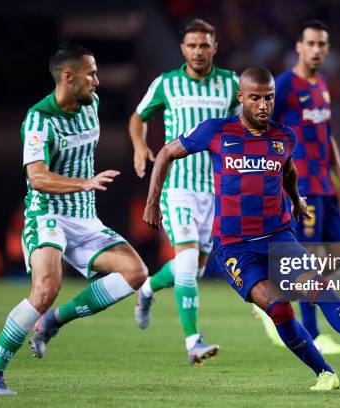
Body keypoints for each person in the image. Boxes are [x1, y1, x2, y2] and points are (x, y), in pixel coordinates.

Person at [143, 66, 340, 391]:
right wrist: (152, 202)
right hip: (234, 247)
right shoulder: (216, 131)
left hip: (279, 238)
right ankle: (325, 374)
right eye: (255, 98)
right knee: (278, 309)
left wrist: (295, 200)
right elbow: (166, 152)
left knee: (318, 287)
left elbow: (288, 171)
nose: (263, 105)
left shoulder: (283, 137)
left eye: (269, 98)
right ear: (241, 98)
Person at [0, 44, 147, 395]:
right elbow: (37, 177)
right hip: (47, 213)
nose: (98, 81)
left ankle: (54, 321)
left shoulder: (92, 105)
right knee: (46, 288)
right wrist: (85, 182)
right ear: (68, 77)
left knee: (136, 273)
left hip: (85, 218)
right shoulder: (39, 120)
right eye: (91, 74)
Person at [129, 18, 239, 364]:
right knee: (189, 260)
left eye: (204, 45)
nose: (197, 51)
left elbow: (242, 131)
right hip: (177, 187)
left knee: (193, 268)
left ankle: (147, 288)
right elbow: (138, 117)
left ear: (214, 47)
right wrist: (138, 144)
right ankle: (194, 341)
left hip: (215, 190)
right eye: (191, 45)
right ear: (182, 49)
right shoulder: (166, 84)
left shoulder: (232, 85)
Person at [253, 19, 340, 354]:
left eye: (321, 45)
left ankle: (277, 288)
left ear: (327, 49)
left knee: (339, 257)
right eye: (310, 43)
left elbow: (328, 137)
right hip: (302, 188)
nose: (316, 50)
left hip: (326, 186)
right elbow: (262, 127)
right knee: (310, 259)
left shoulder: (322, 86)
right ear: (299, 46)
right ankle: (313, 333)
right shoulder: (283, 85)